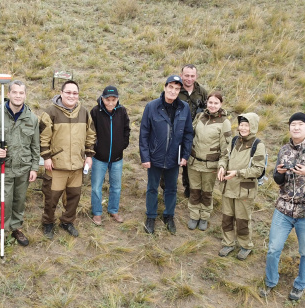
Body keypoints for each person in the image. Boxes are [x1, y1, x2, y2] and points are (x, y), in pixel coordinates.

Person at [260, 112, 305, 301]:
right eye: (293, 124)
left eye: (300, 124)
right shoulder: (284, 149)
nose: (296, 127)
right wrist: (279, 173)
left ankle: (300, 285)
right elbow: (278, 180)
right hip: (284, 209)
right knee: (273, 249)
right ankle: (270, 282)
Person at [0, 80, 40, 246]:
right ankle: (1, 230)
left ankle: (16, 227)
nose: (18, 96)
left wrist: (34, 167)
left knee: (19, 200)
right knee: (4, 201)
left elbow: (35, 145)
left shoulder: (32, 118)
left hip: (24, 167)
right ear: (8, 94)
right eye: (15, 92)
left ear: (25, 95)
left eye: (21, 93)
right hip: (4, 167)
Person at [39, 80, 95, 239]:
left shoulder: (84, 112)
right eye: (68, 92)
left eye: (75, 93)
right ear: (61, 93)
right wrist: (46, 158)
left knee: (74, 197)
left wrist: (89, 155)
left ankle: (67, 221)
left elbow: (90, 135)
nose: (71, 95)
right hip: (56, 166)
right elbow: (43, 138)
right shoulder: (50, 113)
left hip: (77, 166)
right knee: (51, 198)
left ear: (78, 95)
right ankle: (48, 222)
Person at [139, 75, 194, 235]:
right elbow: (144, 133)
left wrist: (185, 155)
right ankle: (150, 216)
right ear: (165, 87)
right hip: (155, 156)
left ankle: (169, 216)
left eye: (177, 89)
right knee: (152, 188)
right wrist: (145, 157)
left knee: (171, 189)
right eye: (171, 87)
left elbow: (188, 133)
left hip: (174, 158)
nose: (173, 91)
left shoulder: (184, 108)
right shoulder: (152, 107)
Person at [217, 113, 266, 260]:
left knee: (242, 220)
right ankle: (228, 243)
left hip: (244, 190)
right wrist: (221, 167)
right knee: (227, 218)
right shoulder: (234, 141)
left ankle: (246, 246)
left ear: (253, 127)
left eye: (246, 125)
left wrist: (237, 173)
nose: (243, 128)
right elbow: (224, 156)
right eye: (241, 125)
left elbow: (258, 170)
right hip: (228, 187)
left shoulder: (258, 145)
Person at [187, 91, 232, 231]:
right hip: (193, 163)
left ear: (221, 104)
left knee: (206, 193)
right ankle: (194, 215)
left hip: (210, 166)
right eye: (210, 102)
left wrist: (222, 165)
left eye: (216, 103)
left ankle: (204, 217)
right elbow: (190, 134)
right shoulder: (200, 116)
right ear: (207, 102)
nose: (212, 105)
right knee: (194, 191)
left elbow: (226, 148)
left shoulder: (225, 123)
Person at [90, 85, 131, 226]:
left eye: (114, 100)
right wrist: (94, 148)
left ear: (117, 99)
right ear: (103, 98)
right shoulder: (95, 111)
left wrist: (122, 145)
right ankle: (97, 212)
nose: (111, 103)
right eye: (108, 99)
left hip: (117, 158)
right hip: (98, 158)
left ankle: (113, 209)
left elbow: (127, 129)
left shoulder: (122, 111)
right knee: (96, 187)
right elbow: (90, 132)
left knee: (116, 186)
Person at [178, 64, 208, 198]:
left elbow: (208, 111)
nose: (189, 79)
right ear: (181, 75)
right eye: (186, 75)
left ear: (196, 76)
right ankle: (166, 186)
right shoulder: (175, 89)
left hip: (194, 134)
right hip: (176, 132)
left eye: (192, 76)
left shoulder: (202, 92)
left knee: (189, 162)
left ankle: (189, 187)